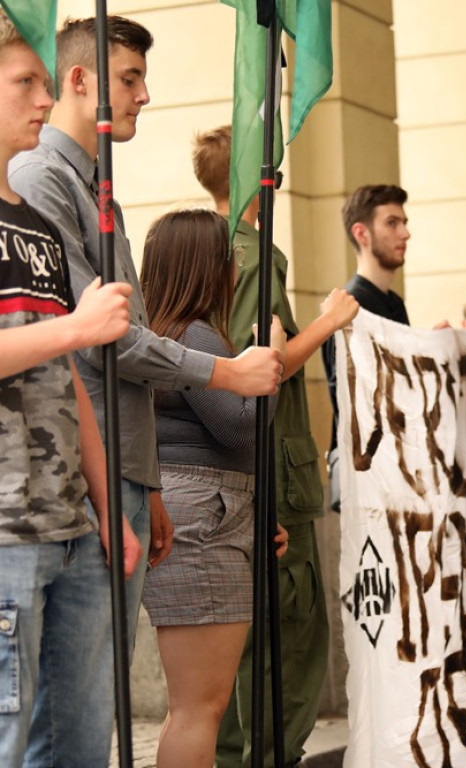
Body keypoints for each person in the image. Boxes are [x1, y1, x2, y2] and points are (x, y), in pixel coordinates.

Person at [8, 16, 283, 659]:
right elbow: (97, 341)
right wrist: (226, 373)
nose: (144, 96)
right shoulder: (42, 175)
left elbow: (115, 338)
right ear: (80, 81)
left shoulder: (91, 181)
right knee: (61, 717)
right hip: (69, 472)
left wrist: (148, 482)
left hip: (119, 468)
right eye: (129, 79)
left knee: (92, 703)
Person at [190, 126, 360, 766]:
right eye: (273, 173)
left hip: (255, 462)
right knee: (288, 635)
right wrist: (328, 321)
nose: (278, 184)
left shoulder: (221, 247)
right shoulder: (250, 253)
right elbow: (261, 365)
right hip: (271, 467)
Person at [0, 15, 142, 764]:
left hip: (74, 525)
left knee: (83, 745)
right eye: (26, 83)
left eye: (48, 86)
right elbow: (74, 342)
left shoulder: (37, 227)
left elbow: (69, 384)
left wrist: (105, 501)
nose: (46, 102)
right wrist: (77, 330)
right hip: (4, 533)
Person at [138, 209, 293, 767]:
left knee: (199, 704)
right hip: (203, 510)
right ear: (208, 265)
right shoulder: (194, 332)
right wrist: (269, 361)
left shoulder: (170, 330)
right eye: (233, 257)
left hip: (204, 504)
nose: (238, 268)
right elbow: (240, 429)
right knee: (200, 707)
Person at [321, 184, 411, 507]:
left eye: (404, 222)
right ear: (362, 233)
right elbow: (347, 396)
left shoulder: (394, 304)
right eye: (392, 223)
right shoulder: (349, 306)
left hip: (398, 472)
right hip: (369, 478)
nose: (405, 233)